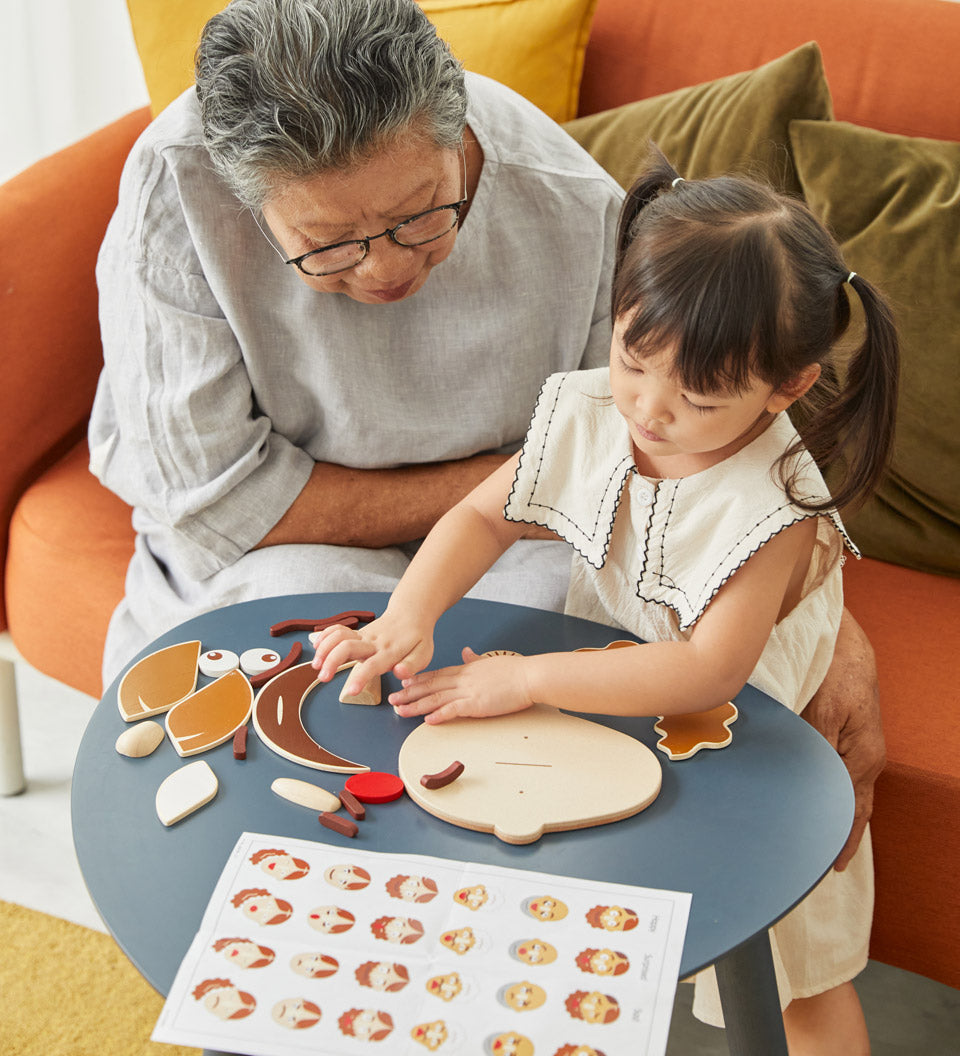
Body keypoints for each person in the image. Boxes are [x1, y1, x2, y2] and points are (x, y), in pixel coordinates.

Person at [91, 0, 879, 947]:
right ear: (253, 200)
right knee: (292, 696)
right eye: (330, 244)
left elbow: (696, 442)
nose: (385, 269)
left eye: (422, 216)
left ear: (457, 125)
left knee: (560, 701)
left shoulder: (568, 199)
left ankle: (502, 956)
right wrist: (520, 484)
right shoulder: (179, 190)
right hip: (292, 535)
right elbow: (219, 498)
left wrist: (813, 609)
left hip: (540, 527)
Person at [312, 148, 900, 1054]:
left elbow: (711, 669)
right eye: (632, 358)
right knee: (578, 884)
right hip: (610, 676)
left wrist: (528, 681)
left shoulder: (773, 507)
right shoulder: (595, 409)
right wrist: (408, 615)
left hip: (753, 727)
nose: (651, 409)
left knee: (791, 972)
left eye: (699, 395)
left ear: (788, 387)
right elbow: (482, 515)